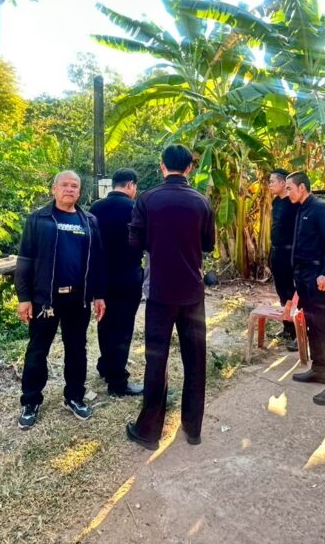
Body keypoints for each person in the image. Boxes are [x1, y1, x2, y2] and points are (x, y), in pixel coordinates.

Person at [125, 144, 215, 450]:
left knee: (156, 359)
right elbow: (208, 245)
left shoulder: (147, 199)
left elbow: (135, 241)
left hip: (160, 292)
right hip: (193, 292)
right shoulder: (202, 201)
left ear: (162, 166)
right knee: (195, 360)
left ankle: (149, 432)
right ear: (189, 168)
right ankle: (193, 428)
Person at [15, 170, 106, 430]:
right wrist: (24, 297)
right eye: (64, 185)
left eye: (74, 186)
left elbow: (97, 261)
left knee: (77, 348)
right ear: (54, 189)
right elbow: (25, 259)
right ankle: (30, 401)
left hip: (78, 299)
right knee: (37, 350)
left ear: (79, 191)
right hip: (45, 299)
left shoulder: (89, 221)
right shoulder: (38, 219)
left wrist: (99, 294)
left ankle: (74, 397)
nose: (69, 189)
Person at [285, 171, 325, 406]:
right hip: (303, 276)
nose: (287, 193)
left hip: (316, 276)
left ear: (301, 187)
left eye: (289, 188)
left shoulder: (321, 209)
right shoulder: (301, 209)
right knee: (311, 324)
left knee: (322, 327)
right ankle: (319, 369)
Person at [90, 168, 145, 397]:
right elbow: (144, 242)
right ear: (131, 185)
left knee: (105, 322)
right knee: (122, 328)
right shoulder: (135, 208)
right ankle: (117, 382)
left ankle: (105, 366)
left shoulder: (96, 208)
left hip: (101, 277)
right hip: (127, 276)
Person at [267, 169, 298, 352]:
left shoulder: (294, 203)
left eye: (272, 181)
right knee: (281, 290)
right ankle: (287, 327)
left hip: (290, 252)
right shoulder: (276, 202)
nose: (269, 184)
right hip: (276, 251)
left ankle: (298, 332)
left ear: (282, 183)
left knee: (291, 291)